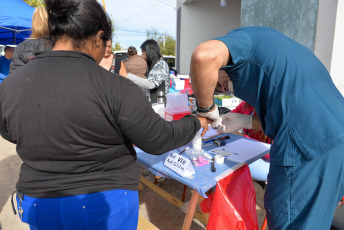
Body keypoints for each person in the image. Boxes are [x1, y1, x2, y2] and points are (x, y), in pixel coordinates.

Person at [0, 0, 209, 229]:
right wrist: (195, 121)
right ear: (98, 38)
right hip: (103, 202)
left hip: (39, 203)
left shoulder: (10, 85)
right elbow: (159, 139)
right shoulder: (116, 88)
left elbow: (10, 132)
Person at [190, 26, 344, 229]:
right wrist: (245, 121)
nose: (224, 89)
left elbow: (203, 56)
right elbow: (288, 114)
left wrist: (205, 109)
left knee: (289, 219)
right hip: (336, 141)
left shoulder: (243, 42)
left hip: (307, 147)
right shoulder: (279, 51)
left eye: (218, 85)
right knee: (315, 219)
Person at [10, 6, 52, 74]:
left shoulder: (20, 48)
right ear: (49, 22)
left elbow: (13, 77)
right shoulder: (57, 45)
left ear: (33, 23)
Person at [126, 39, 170, 103]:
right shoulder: (154, 65)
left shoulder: (161, 64)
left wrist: (128, 76)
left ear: (150, 52)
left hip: (159, 105)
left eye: (143, 52)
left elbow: (151, 84)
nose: (142, 56)